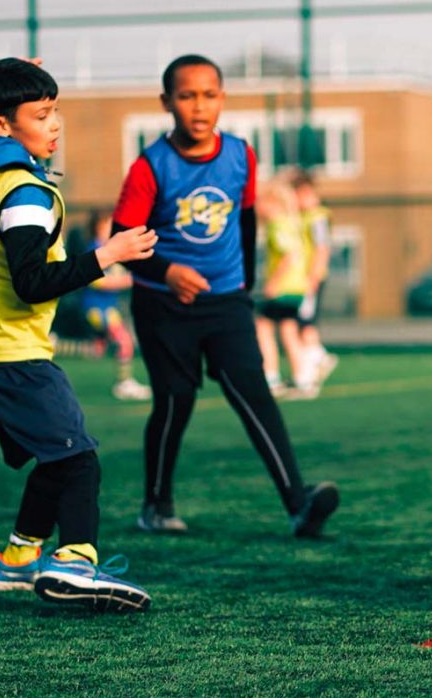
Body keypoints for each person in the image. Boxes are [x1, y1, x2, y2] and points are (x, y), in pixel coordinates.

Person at [0, 57, 155, 610]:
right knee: (78, 459)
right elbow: (32, 282)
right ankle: (76, 560)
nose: (55, 124)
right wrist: (109, 255)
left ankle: (15, 560)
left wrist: (12, 76)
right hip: (2, 345)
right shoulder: (23, 191)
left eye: (56, 110)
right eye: (42, 113)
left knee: (58, 453)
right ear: (4, 126)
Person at [112, 53, 338, 537]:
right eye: (187, 95)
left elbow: (248, 218)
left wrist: (244, 285)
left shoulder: (240, 155)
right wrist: (167, 270)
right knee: (175, 400)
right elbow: (121, 240)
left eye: (209, 95)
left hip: (227, 302)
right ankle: (156, 504)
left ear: (222, 100)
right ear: (167, 102)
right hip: (163, 305)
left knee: (254, 394)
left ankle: (299, 504)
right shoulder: (150, 166)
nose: (199, 106)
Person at [80, 210, 151, 401]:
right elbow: (97, 282)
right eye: (107, 226)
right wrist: (129, 281)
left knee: (97, 349)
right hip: (98, 307)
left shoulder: (108, 249)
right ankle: (124, 384)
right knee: (125, 342)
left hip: (109, 308)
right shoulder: (95, 249)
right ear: (98, 227)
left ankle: (57, 344)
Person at [254, 175, 313, 397]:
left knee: (263, 327)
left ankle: (270, 376)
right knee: (288, 330)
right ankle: (303, 378)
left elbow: (290, 254)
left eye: (261, 202)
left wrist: (274, 282)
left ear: (273, 203)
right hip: (297, 288)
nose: (257, 207)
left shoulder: (277, 225)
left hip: (283, 287)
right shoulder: (292, 223)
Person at [292, 171, 338, 387]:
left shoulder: (318, 216)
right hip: (301, 280)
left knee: (305, 324)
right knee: (301, 325)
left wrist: (313, 277)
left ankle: (319, 360)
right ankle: (309, 372)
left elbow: (322, 248)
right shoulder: (303, 217)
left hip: (311, 279)